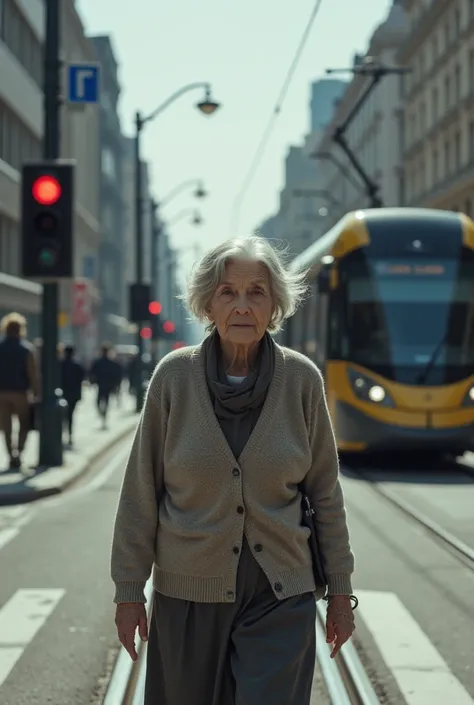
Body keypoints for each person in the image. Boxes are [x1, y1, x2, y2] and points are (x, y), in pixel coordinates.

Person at [111, 236, 355, 705]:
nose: (242, 306)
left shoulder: (302, 381)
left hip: (280, 595)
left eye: (256, 292)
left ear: (275, 304)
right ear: (207, 303)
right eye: (228, 292)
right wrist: (128, 592)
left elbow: (326, 493)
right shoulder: (173, 378)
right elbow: (140, 490)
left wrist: (341, 591)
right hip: (188, 598)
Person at [0, 313, 39, 469]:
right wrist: (36, 391)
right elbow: (32, 373)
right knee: (24, 424)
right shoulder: (26, 349)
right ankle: (19, 452)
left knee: (6, 426)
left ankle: (10, 455)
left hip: (1, 392)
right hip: (20, 392)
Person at [89, 343, 121, 429]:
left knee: (99, 400)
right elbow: (117, 374)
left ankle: (102, 413)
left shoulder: (99, 362)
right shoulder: (111, 363)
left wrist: (92, 381)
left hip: (101, 384)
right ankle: (103, 414)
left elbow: (92, 372)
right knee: (105, 400)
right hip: (107, 385)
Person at [60, 345, 85, 446]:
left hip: (62, 394)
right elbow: (81, 380)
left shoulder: (59, 365)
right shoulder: (77, 366)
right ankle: (69, 435)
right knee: (70, 416)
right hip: (73, 395)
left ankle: (62, 435)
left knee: (62, 417)